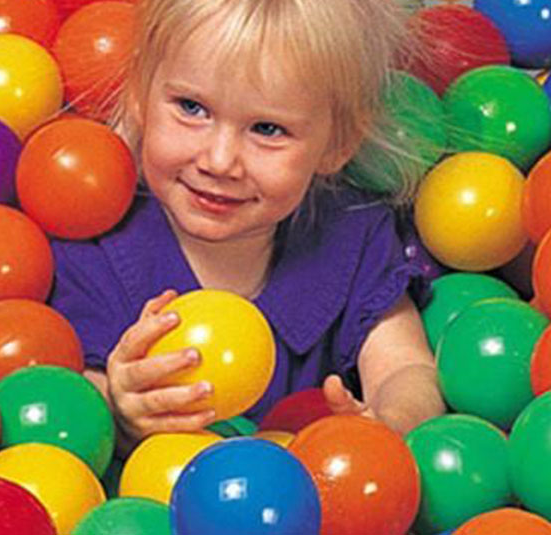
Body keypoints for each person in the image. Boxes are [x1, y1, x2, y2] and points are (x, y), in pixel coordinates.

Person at [49, 0, 446, 455]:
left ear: (338, 142)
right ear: (140, 93)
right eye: (192, 108)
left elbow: (405, 370)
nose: (220, 161)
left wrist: (387, 425)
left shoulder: (356, 238)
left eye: (267, 129)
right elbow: (69, 403)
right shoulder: (88, 250)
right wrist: (120, 414)